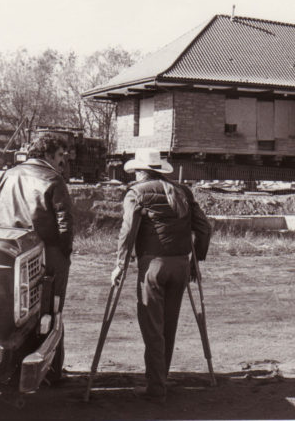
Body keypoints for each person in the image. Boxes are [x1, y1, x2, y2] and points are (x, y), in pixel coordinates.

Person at [112, 148, 211, 403]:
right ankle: (160, 378)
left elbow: (128, 230)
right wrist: (195, 261)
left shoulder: (137, 193)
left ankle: (156, 387)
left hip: (153, 266)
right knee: (168, 324)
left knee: (153, 327)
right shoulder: (183, 192)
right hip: (179, 266)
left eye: (135, 172)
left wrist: (120, 263)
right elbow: (204, 228)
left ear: (141, 171)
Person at [0, 134, 73, 381]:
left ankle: (13, 366)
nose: (62, 161)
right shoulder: (53, 179)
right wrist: (64, 254)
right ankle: (52, 371)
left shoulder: (7, 175)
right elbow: (65, 225)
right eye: (60, 155)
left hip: (9, 250)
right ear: (47, 154)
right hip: (46, 250)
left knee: (11, 311)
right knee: (52, 309)